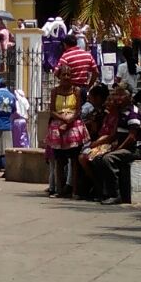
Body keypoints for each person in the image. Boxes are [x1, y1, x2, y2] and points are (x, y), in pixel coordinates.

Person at [45, 64, 87, 198]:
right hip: (58, 126)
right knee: (58, 160)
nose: (66, 77)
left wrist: (68, 122)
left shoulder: (76, 91)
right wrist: (62, 119)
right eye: (64, 74)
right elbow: (52, 110)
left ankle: (75, 191)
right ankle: (59, 190)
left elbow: (78, 110)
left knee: (74, 160)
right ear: (59, 76)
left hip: (73, 126)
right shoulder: (54, 91)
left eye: (69, 75)